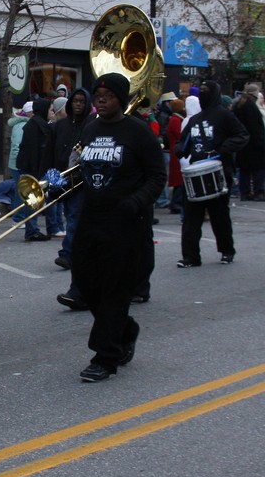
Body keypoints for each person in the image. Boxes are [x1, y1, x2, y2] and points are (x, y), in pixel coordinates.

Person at [72, 73, 165, 382]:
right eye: (97, 93)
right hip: (91, 218)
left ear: (121, 99)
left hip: (124, 223)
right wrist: (62, 183)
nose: (100, 99)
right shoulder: (90, 128)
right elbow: (84, 171)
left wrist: (136, 202)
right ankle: (125, 329)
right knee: (86, 284)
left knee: (114, 288)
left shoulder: (137, 132)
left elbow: (156, 176)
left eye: (107, 95)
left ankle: (105, 356)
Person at [175, 81, 249, 268]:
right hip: (196, 171)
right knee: (191, 217)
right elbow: (184, 141)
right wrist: (179, 149)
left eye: (206, 91)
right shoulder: (194, 119)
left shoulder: (225, 116)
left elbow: (242, 135)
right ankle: (191, 256)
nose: (203, 94)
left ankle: (227, 251)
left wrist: (224, 149)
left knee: (220, 215)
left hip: (219, 171)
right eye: (201, 91)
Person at [52, 88, 93, 272]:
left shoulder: (91, 125)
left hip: (80, 179)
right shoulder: (61, 125)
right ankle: (79, 252)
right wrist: (49, 177)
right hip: (62, 176)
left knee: (74, 216)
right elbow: (51, 152)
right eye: (75, 101)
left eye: (82, 101)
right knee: (70, 215)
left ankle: (67, 254)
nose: (78, 104)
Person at [17, 98, 59, 241]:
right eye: (50, 110)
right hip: (35, 169)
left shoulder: (37, 124)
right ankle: (32, 231)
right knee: (33, 200)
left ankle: (41, 228)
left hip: (35, 168)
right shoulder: (36, 126)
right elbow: (34, 151)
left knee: (40, 199)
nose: (52, 112)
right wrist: (37, 171)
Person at [232, 83, 265, 201]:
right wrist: (261, 142)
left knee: (245, 169)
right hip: (254, 143)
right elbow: (255, 126)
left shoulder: (239, 104)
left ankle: (245, 192)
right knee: (259, 168)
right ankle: (259, 191)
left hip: (243, 144)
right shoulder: (251, 106)